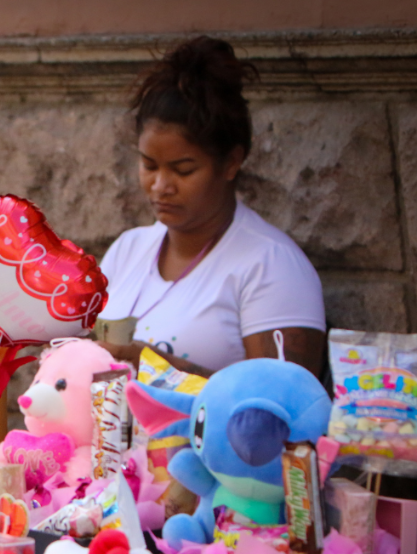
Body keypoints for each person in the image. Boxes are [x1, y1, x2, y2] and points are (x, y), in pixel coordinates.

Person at [95, 36, 326, 378]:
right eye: (149, 165)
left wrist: (158, 367)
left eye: (183, 169)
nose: (161, 186)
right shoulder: (128, 250)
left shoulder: (270, 265)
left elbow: (286, 412)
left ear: (231, 162)